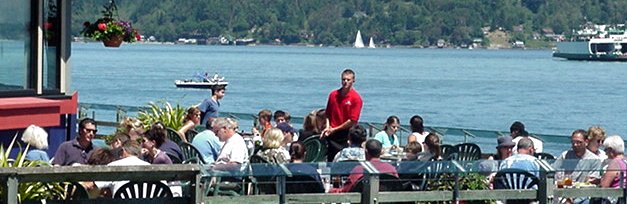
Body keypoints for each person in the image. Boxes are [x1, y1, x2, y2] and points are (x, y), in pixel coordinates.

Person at [322, 69, 363, 162]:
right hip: (332, 134)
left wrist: (335, 129)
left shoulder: (356, 98)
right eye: (344, 79)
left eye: (348, 80)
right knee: (331, 160)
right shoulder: (333, 95)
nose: (345, 82)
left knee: (343, 161)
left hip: (346, 134)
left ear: (353, 81)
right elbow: (328, 113)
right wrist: (328, 127)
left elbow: (352, 120)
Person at [333, 139, 398, 193]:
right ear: (381, 152)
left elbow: (345, 191)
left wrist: (331, 190)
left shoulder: (359, 170)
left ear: (366, 152)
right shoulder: (391, 169)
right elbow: (397, 188)